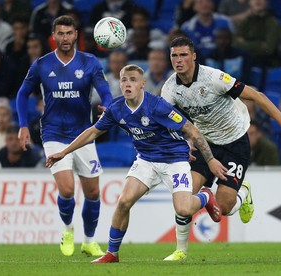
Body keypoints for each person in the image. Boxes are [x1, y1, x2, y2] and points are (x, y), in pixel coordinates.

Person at [45, 64, 228, 263]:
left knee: (183, 210)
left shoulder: (157, 106)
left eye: (133, 80)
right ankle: (112, 253)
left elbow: (191, 130)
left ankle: (205, 197)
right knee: (124, 201)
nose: (127, 84)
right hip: (146, 161)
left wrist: (209, 160)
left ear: (142, 84)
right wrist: (63, 152)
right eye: (124, 80)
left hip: (174, 161)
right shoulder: (116, 109)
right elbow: (92, 132)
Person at [160, 37, 281, 261]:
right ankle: (180, 250)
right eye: (174, 55)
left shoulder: (214, 78)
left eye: (183, 55)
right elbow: (168, 122)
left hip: (234, 143)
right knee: (183, 196)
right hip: (205, 144)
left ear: (193, 56)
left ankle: (243, 192)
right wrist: (185, 143)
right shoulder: (170, 89)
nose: (179, 60)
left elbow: (257, 97)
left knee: (222, 210)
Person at [16, 15, 113, 257]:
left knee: (92, 193)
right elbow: (21, 94)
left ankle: (89, 241)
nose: (65, 38)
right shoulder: (42, 64)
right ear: (54, 36)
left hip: (83, 135)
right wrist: (23, 125)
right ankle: (68, 229)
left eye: (69, 33)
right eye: (60, 33)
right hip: (53, 134)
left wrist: (108, 107)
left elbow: (105, 92)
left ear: (76, 35)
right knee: (67, 190)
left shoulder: (90, 62)